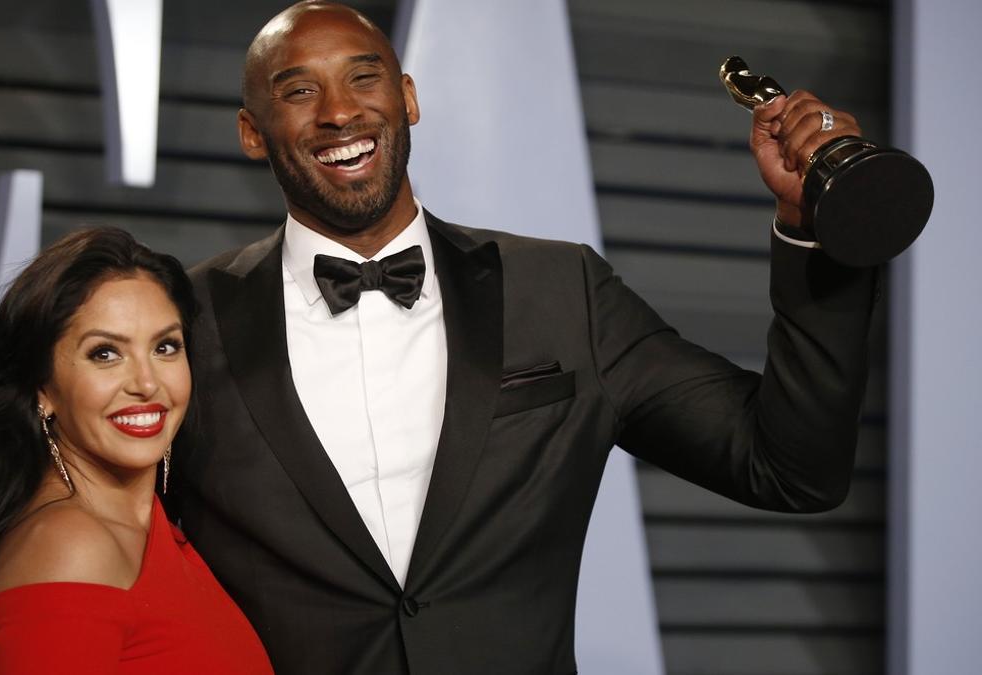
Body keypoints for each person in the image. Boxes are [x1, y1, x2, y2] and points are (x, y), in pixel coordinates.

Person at [167, 2, 878, 673]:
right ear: (252, 132)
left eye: (363, 77)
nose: (340, 111)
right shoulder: (183, 321)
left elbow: (790, 468)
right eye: (298, 91)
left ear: (408, 98)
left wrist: (813, 229)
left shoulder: (560, 289)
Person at [0, 228, 273, 674]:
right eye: (105, 354)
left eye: (165, 347)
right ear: (42, 388)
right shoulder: (70, 547)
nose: (147, 384)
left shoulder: (154, 530)